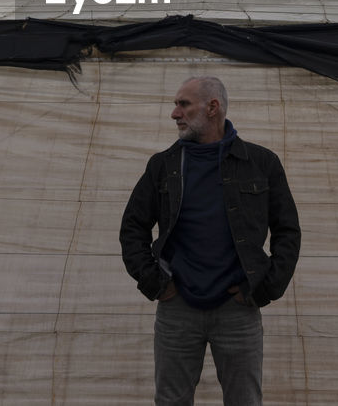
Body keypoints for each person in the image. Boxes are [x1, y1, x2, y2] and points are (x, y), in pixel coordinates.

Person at [120, 76, 301, 405]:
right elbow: (133, 228)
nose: (175, 113)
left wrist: (263, 288)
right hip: (177, 308)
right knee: (171, 401)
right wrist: (157, 283)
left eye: (183, 104)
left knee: (244, 400)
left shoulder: (262, 163)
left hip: (238, 310)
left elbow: (288, 231)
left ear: (212, 107)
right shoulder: (163, 166)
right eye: (176, 105)